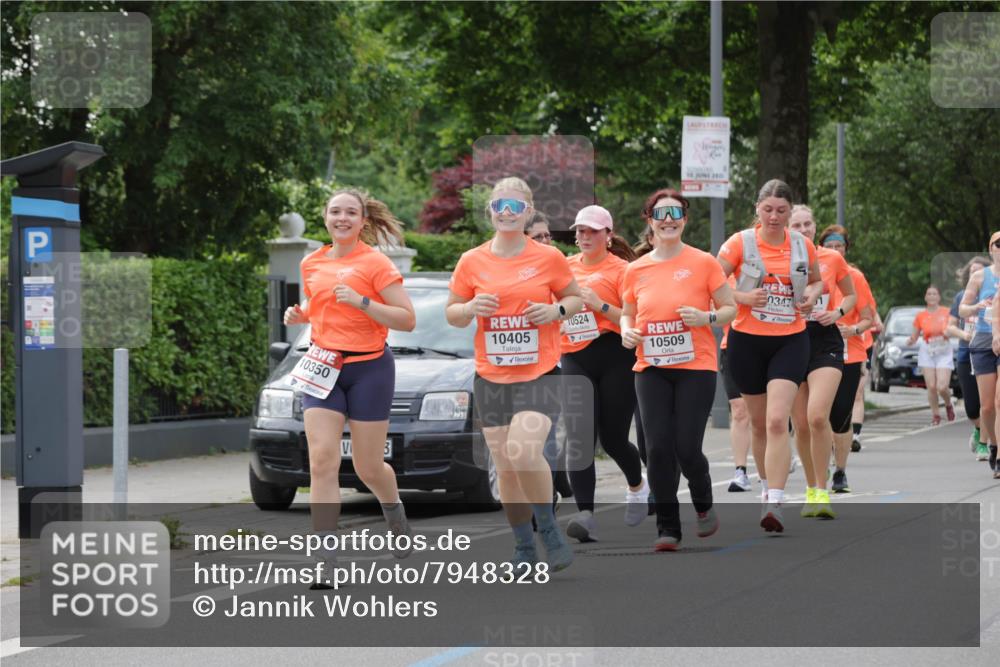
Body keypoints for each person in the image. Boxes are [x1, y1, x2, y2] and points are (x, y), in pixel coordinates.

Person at [446, 176, 584, 569]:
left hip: (539, 372)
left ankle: (549, 529)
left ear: (527, 211)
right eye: (499, 206)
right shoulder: (472, 260)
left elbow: (574, 298)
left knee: (524, 451)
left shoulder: (547, 257)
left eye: (515, 206)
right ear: (490, 210)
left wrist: (555, 311)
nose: (506, 213)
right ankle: (523, 547)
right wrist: (471, 309)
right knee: (505, 468)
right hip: (491, 376)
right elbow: (452, 314)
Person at [283, 188, 417, 583]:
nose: (343, 218)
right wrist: (300, 313)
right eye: (336, 211)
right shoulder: (311, 263)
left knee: (368, 466)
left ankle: (393, 512)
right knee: (321, 460)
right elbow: (320, 304)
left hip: (370, 369)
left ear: (362, 221)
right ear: (325, 217)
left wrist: (363, 302)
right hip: (323, 366)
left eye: (351, 213)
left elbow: (406, 319)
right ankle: (325, 559)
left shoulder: (374, 263)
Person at [621, 187, 736, 551]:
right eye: (660, 214)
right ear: (650, 221)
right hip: (650, 366)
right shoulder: (635, 269)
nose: (668, 220)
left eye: (675, 214)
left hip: (695, 365)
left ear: (684, 220)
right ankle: (668, 527)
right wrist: (627, 330)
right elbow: (627, 312)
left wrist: (707, 317)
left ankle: (703, 503)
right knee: (656, 448)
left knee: (687, 447)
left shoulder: (704, 262)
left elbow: (730, 308)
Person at [717, 179, 823, 533]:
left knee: (779, 420)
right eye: (768, 210)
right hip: (746, 340)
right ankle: (765, 488)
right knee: (759, 423)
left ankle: (776, 501)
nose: (774, 217)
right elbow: (712, 283)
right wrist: (742, 298)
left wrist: (810, 294)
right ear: (757, 210)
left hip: (790, 340)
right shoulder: (740, 243)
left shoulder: (802, 245)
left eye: (781, 211)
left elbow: (817, 281)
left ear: (790, 212)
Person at [558, 205, 648, 542]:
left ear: (608, 235)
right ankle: (585, 514)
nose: (583, 237)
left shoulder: (624, 270)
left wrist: (599, 305)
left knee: (612, 439)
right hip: (574, 356)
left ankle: (638, 486)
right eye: (580, 230)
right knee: (579, 438)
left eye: (592, 231)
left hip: (614, 354)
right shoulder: (564, 267)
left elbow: (635, 316)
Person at [788, 207, 856, 518]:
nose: (803, 229)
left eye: (807, 224)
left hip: (825, 340)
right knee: (800, 424)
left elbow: (850, 296)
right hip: (789, 340)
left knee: (817, 416)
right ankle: (812, 487)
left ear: (815, 227)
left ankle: (823, 491)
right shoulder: (776, 257)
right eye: (796, 224)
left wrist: (838, 313)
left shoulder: (831, 258)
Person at [815, 225, 876, 497]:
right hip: (817, 350)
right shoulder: (812, 272)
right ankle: (821, 463)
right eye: (829, 245)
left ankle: (840, 469)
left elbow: (868, 317)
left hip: (850, 351)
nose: (835, 249)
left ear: (846, 249)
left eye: (839, 245)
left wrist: (854, 330)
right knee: (818, 414)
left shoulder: (855, 277)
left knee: (840, 415)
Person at [961, 231, 1000, 479]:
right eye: (998, 244)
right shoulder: (979, 276)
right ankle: (993, 444)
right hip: (983, 339)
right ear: (991, 249)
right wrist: (976, 307)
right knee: (986, 407)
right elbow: (963, 308)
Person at [948, 257, 992, 460]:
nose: (976, 274)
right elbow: (950, 326)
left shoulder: (993, 292)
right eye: (972, 271)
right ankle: (977, 429)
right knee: (972, 407)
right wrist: (963, 335)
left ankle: (985, 444)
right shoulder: (960, 298)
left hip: (987, 349)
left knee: (988, 402)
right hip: (966, 352)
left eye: (979, 271)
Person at [719, 274, 754, 492]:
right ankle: (740, 471)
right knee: (739, 410)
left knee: (768, 413)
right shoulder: (724, 275)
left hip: (766, 344)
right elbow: (718, 296)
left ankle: (776, 455)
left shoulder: (771, 269)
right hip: (731, 345)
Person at [907, 285, 956, 426]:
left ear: (939, 297)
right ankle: (936, 415)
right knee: (932, 386)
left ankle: (948, 403)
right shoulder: (920, 316)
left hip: (944, 350)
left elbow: (953, 329)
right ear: (925, 297)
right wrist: (910, 341)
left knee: (942, 386)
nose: (932, 296)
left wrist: (949, 332)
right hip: (928, 351)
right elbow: (915, 336)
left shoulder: (947, 312)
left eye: (935, 294)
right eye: (930, 294)